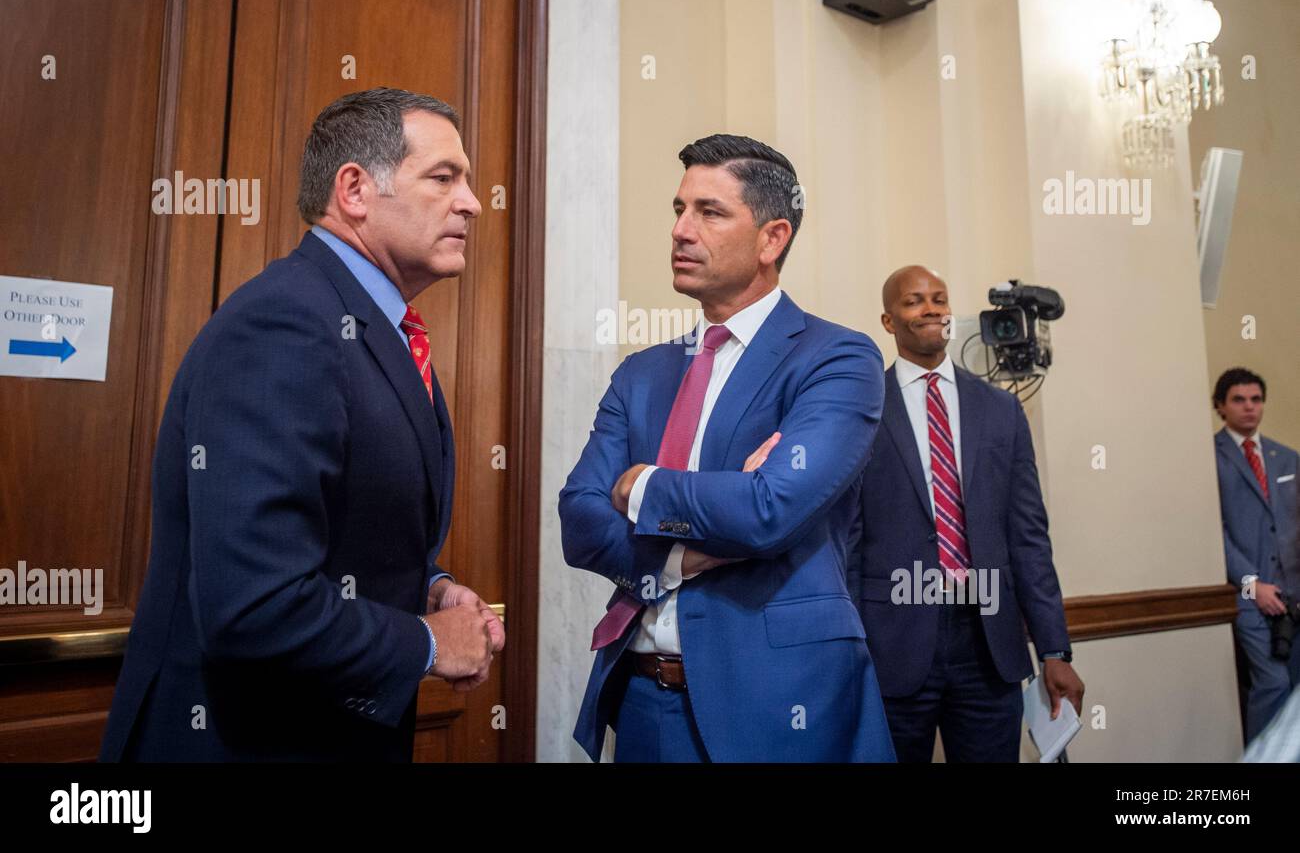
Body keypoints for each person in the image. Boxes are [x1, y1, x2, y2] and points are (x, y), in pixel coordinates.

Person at [100, 88, 504, 761]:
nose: (472, 201)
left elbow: (331, 531)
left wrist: (424, 582)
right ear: (354, 189)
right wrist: (431, 640)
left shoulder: (367, 323)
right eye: (444, 177)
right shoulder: (284, 324)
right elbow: (254, 604)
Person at [559, 134, 895, 762]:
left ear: (773, 238)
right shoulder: (642, 372)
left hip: (779, 705)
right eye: (679, 210)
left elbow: (768, 510)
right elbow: (578, 522)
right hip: (640, 701)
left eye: (709, 212)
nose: (681, 230)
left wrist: (641, 485)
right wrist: (676, 561)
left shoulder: (838, 358)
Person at [854, 265, 1082, 762]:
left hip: (989, 646)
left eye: (939, 298)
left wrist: (1054, 649)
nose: (931, 308)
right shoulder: (863, 409)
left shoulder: (1000, 410)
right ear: (889, 321)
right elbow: (847, 538)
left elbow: (1028, 538)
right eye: (914, 301)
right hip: (892, 644)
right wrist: (847, 645)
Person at [1213, 367, 1300, 743]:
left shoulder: (1287, 457)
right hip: (1247, 593)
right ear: (1220, 406)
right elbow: (1216, 534)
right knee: (1274, 683)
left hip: (1293, 590)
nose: (1249, 408)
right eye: (1239, 400)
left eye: (1256, 399)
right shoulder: (1209, 458)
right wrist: (1253, 586)